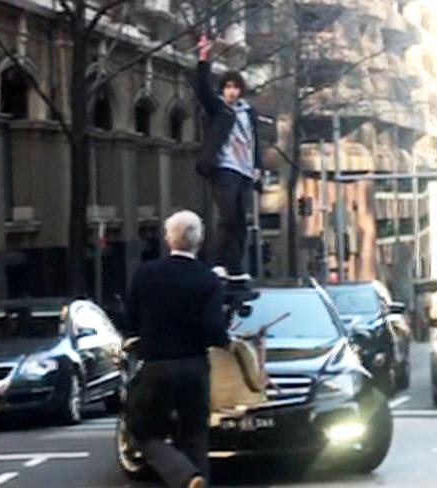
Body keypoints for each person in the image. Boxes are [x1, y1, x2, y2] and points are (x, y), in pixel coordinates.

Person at [125, 210, 230, 488]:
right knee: (195, 434)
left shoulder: (146, 274)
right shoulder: (208, 279)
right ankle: (198, 479)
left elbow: (131, 321)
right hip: (195, 366)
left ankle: (185, 476)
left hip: (157, 366)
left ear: (167, 238)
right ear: (200, 240)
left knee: (143, 430)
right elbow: (214, 330)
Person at [195, 33, 262, 283]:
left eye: (235, 88)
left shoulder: (248, 113)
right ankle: (221, 263)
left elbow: (255, 142)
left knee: (242, 220)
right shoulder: (218, 110)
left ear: (241, 90)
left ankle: (236, 266)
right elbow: (202, 90)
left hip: (245, 171)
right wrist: (204, 59)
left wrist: (258, 167)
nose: (232, 92)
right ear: (222, 90)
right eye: (227, 88)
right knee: (228, 216)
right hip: (225, 168)